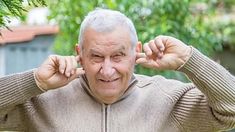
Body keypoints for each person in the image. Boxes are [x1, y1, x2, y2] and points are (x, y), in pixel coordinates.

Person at [0, 8, 235, 132]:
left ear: (137, 51)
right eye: (96, 56)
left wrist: (188, 59)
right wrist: (34, 82)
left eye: (118, 56)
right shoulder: (43, 100)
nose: (107, 69)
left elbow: (231, 110)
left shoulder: (168, 99)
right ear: (79, 53)